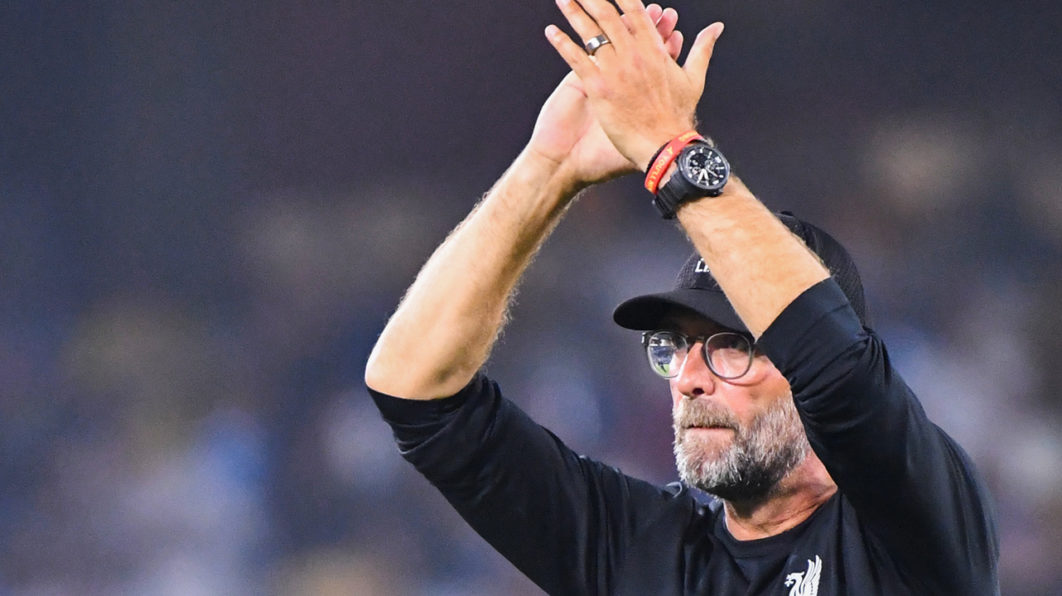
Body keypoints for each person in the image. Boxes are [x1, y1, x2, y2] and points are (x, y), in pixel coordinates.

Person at [364, 0, 999, 593]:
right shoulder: (641, 550)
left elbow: (834, 362)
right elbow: (414, 391)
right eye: (675, 347)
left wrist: (668, 145)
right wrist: (549, 167)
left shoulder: (915, 521)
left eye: (732, 346)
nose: (689, 378)